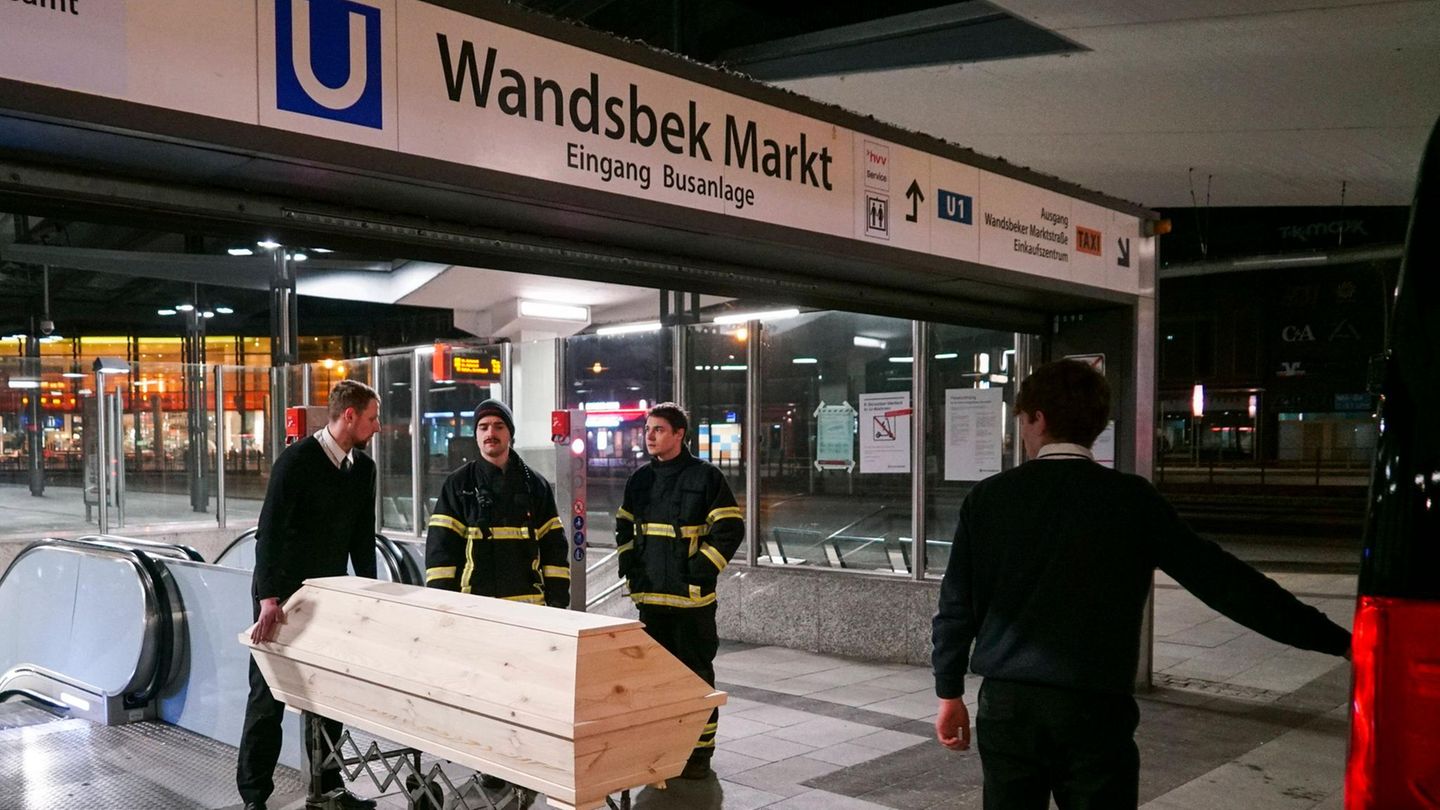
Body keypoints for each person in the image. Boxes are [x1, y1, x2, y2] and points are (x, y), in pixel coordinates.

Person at [932, 360, 1351, 809]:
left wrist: (949, 689)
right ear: (1096, 425)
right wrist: (1338, 640)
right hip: (1097, 706)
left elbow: (958, 603)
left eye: (1024, 419)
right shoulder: (1132, 500)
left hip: (1010, 703)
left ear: (1039, 418)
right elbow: (1227, 582)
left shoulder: (990, 498)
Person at [238, 380, 382, 810]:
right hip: (282, 598)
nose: (377, 426)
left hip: (331, 595)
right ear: (350, 416)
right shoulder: (296, 462)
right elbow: (270, 534)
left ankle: (328, 790)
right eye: (372, 417)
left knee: (328, 697)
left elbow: (361, 539)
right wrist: (268, 598)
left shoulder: (363, 470)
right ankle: (254, 798)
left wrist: (372, 594)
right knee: (268, 697)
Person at [616, 402, 744, 780]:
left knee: (695, 677)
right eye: (647, 430)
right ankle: (663, 745)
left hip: (692, 603)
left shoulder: (706, 478)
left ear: (679, 435)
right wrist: (632, 571)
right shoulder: (639, 480)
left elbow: (730, 529)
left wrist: (699, 570)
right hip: (651, 602)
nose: (649, 436)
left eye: (658, 430)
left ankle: (699, 753)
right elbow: (624, 527)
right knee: (655, 681)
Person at [424, 398, 570, 608]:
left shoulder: (536, 486)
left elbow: (554, 550)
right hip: (474, 611)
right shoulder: (458, 485)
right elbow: (441, 552)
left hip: (530, 613)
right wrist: (442, 605)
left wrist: (558, 604)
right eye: (483, 427)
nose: (490, 433)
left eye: (499, 427)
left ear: (510, 433)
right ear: (476, 434)